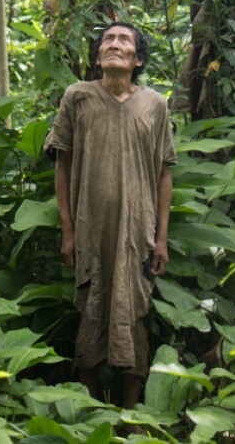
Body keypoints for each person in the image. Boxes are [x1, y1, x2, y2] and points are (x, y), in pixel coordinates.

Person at [45, 22, 176, 409]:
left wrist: (162, 238)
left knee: (133, 311)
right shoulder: (78, 97)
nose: (113, 45)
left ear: (137, 59)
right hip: (90, 226)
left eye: (123, 40)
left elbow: (165, 171)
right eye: (107, 39)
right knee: (91, 305)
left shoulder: (155, 104)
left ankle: (130, 413)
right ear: (98, 55)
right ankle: (90, 411)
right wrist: (67, 229)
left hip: (138, 230)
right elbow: (62, 165)